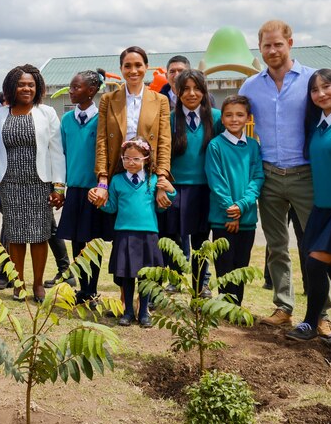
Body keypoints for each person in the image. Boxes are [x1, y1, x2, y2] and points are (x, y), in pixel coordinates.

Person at [238, 20, 331, 332]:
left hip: (306, 174)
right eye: (266, 45)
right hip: (269, 175)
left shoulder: (312, 81)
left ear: (291, 42)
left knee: (315, 246)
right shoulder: (250, 87)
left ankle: (321, 313)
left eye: (278, 44)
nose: (273, 50)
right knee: (276, 245)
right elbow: (234, 122)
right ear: (259, 48)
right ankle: (283, 306)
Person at [286, 69, 331, 347]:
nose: (321, 94)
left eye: (326, 87)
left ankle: (310, 322)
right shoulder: (319, 125)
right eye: (314, 90)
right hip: (322, 207)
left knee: (315, 264)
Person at [0, 64, 65, 302]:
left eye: (31, 85)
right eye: (21, 84)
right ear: (11, 87)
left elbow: (57, 151)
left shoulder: (47, 113)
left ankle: (37, 284)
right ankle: (19, 283)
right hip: (10, 182)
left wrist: (58, 186)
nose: (26, 88)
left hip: (39, 182)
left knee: (39, 235)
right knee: (14, 236)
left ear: (38, 87)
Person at [96, 136, 176, 327]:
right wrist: (100, 202)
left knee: (146, 275)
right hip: (124, 233)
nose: (131, 162)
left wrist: (171, 191)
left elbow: (161, 207)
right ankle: (128, 311)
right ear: (122, 159)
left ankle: (144, 312)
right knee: (127, 274)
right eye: (126, 158)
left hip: (148, 233)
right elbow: (112, 207)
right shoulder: (116, 181)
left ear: (146, 158)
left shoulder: (154, 181)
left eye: (136, 159)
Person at [160, 69, 222, 296]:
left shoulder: (216, 118)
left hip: (205, 189)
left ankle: (199, 285)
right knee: (172, 240)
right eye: (185, 89)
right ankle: (174, 280)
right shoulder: (168, 119)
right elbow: (161, 154)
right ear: (176, 91)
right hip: (174, 189)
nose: (191, 94)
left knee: (200, 241)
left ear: (204, 91)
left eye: (197, 88)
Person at [56, 70, 114, 303]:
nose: (71, 91)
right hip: (75, 190)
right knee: (77, 240)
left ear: (91, 91)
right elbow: (62, 154)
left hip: (95, 190)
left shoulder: (103, 119)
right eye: (71, 87)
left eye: (76, 88)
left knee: (93, 241)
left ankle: (92, 288)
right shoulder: (67, 120)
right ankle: (82, 288)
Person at [92, 46, 172, 211]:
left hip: (148, 173)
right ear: (121, 69)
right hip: (117, 170)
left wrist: (162, 179)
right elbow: (102, 141)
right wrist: (103, 179)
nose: (133, 70)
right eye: (127, 66)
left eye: (138, 65)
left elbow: (164, 142)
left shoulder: (161, 100)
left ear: (146, 67)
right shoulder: (108, 99)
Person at [205, 95, 264, 306]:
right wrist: (231, 210)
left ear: (248, 118)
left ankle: (236, 308)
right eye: (229, 115)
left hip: (246, 218)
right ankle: (224, 307)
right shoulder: (215, 146)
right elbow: (216, 181)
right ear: (222, 118)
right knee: (224, 266)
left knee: (241, 266)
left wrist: (241, 206)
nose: (234, 119)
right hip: (223, 219)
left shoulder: (253, 146)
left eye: (240, 115)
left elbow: (257, 178)